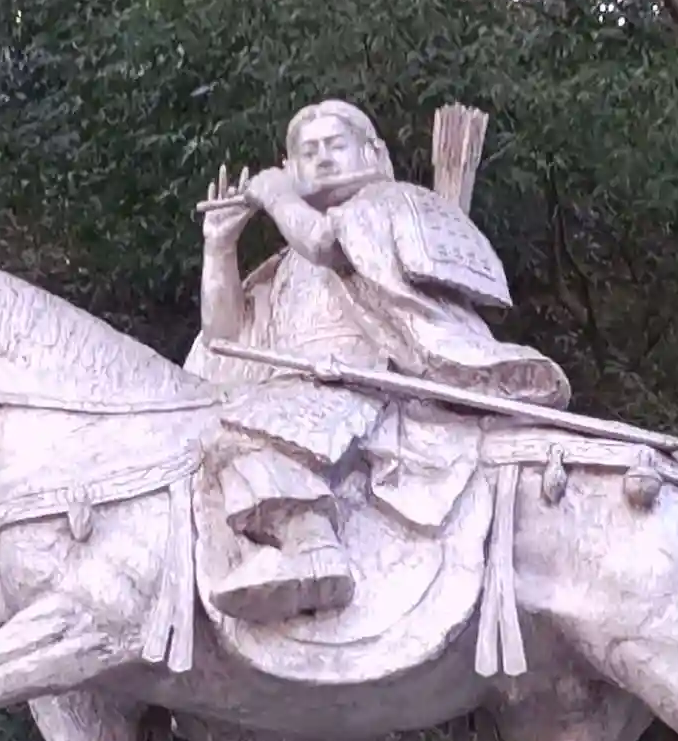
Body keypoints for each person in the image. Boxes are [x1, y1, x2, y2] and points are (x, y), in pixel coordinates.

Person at [188, 99, 569, 626]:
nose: (322, 159)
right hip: (291, 384)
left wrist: (274, 194)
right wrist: (219, 249)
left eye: (335, 146)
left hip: (360, 382)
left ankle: (312, 548)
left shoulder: (384, 206)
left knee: (242, 436)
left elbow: (325, 243)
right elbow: (223, 337)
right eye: (308, 152)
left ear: (374, 154)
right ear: (291, 166)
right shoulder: (283, 263)